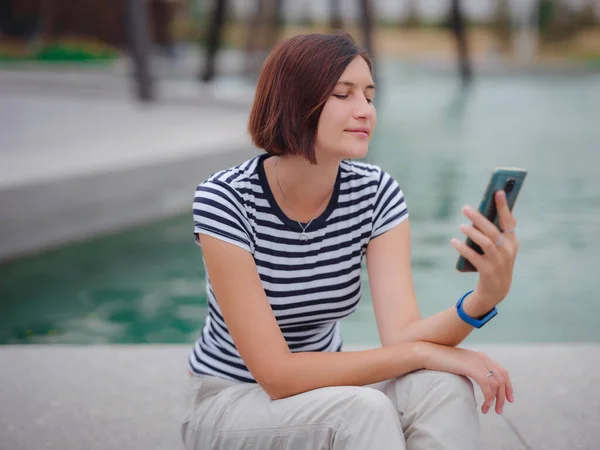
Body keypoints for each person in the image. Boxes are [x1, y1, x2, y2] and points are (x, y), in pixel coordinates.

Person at [182, 32, 519, 450]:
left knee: (445, 387)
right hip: (230, 401)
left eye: (369, 95)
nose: (365, 111)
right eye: (343, 95)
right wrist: (423, 354)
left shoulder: (376, 193)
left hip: (328, 390)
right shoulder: (226, 199)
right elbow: (276, 374)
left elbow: (403, 334)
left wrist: (484, 297)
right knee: (364, 409)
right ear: (294, 102)